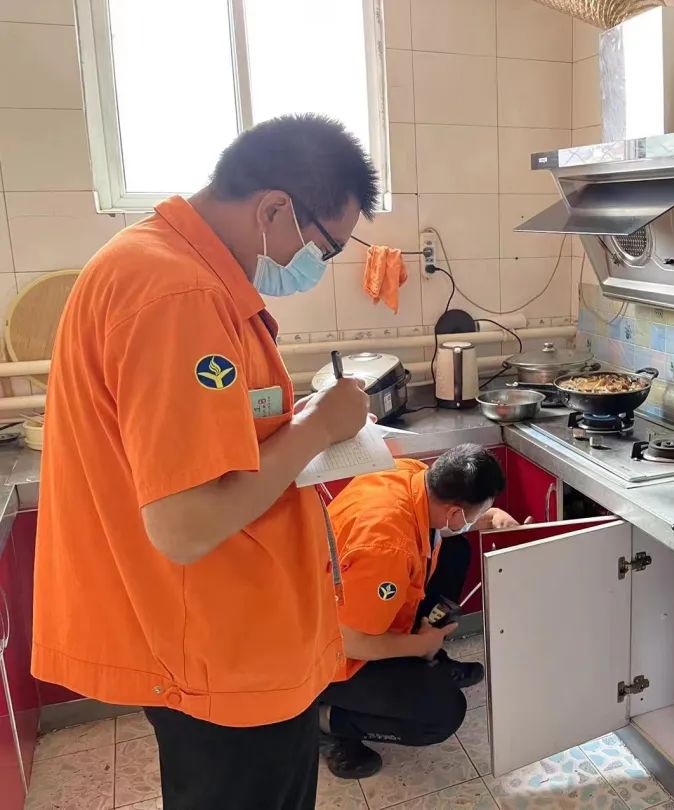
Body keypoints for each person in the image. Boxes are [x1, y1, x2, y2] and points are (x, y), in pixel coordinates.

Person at [34, 114, 378, 810]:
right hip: (221, 650)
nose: (318, 265)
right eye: (326, 247)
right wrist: (320, 427)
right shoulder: (177, 296)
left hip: (223, 638)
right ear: (274, 209)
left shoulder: (168, 268)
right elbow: (186, 525)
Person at [320, 444, 525, 778]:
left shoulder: (411, 475)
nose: (475, 520)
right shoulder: (386, 547)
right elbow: (351, 643)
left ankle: (423, 663)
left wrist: (491, 518)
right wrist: (420, 645)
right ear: (455, 511)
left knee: (455, 550)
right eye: (475, 514)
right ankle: (325, 722)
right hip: (326, 657)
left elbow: (440, 527)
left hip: (358, 609)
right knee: (442, 714)